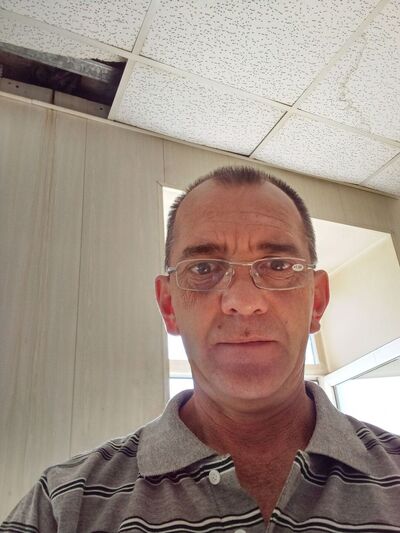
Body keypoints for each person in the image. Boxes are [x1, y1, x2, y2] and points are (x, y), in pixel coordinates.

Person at [2, 166, 400, 532]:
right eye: (204, 268)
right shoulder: (62, 506)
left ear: (317, 301)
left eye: (278, 265)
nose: (243, 302)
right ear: (169, 307)